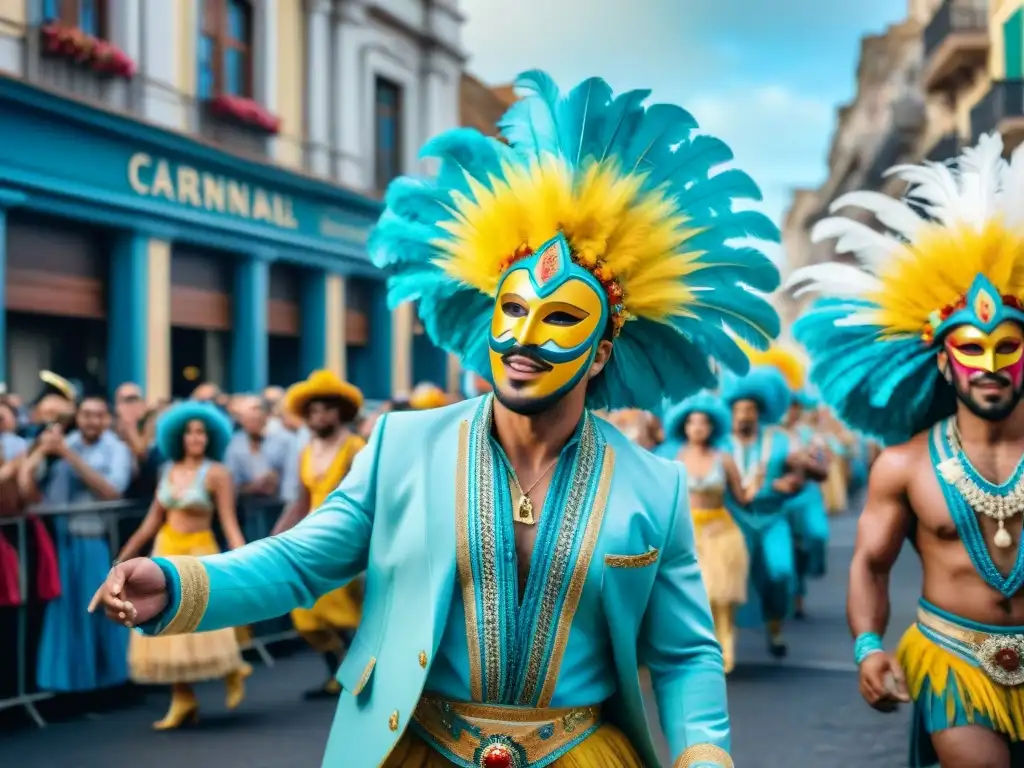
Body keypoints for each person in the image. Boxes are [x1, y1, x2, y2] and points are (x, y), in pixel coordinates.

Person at [91, 69, 782, 767]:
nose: (523, 338)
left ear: (601, 351)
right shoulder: (402, 444)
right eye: (512, 310)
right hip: (416, 749)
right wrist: (180, 583)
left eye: (560, 319)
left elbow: (684, 652)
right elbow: (301, 561)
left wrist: (704, 754)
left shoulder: (654, 486)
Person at [789, 133, 1024, 768]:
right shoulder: (904, 465)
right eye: (970, 350)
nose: (989, 365)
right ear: (944, 365)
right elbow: (870, 562)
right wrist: (868, 646)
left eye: (1007, 347)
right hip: (955, 657)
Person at [116, 401, 250, 729]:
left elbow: (229, 522)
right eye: (189, 432)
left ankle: (232, 668)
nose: (195, 437)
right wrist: (122, 559)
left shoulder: (218, 474)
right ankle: (183, 698)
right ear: (178, 437)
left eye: (201, 432)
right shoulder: (167, 471)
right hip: (165, 553)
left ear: (210, 438)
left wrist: (246, 559)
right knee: (167, 623)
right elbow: (151, 522)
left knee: (208, 616)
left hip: (199, 554)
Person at [20, 390, 133, 692]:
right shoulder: (64, 443)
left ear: (107, 419)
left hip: (97, 542)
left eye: (99, 415)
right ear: (77, 417)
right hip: (62, 543)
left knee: (101, 612)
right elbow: (32, 492)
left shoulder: (116, 449)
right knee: (68, 617)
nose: (92, 421)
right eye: (86, 414)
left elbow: (112, 491)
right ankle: (72, 686)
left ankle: (110, 685)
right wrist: (39, 453)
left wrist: (68, 455)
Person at [270, 370, 366, 699]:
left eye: (326, 409)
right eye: (313, 411)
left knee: (343, 612)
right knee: (305, 615)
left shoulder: (355, 447)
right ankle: (337, 671)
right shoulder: (306, 452)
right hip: (310, 540)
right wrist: (275, 536)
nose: (319, 416)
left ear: (340, 412)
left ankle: (358, 676)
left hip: (346, 540)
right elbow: (301, 500)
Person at [661, 392, 757, 673]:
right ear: (684, 427)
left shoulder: (723, 459)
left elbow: (742, 497)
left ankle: (724, 650)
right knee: (691, 596)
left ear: (712, 427)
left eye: (703, 423)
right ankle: (693, 650)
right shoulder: (672, 459)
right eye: (692, 423)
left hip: (721, 532)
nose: (698, 428)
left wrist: (757, 484)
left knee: (720, 596)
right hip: (686, 534)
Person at [721, 367, 804, 658]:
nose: (744, 415)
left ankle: (775, 625)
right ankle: (724, 638)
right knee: (726, 578)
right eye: (738, 410)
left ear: (760, 412)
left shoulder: (780, 439)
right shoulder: (720, 441)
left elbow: (799, 472)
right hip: (733, 519)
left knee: (780, 572)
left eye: (750, 410)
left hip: (772, 519)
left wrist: (793, 482)